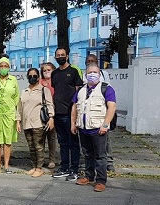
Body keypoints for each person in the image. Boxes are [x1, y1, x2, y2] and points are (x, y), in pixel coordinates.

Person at [71, 64, 116, 192]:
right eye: (90, 72)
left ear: (99, 74)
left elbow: (112, 107)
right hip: (83, 128)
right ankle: (89, 176)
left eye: (95, 72)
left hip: (98, 129)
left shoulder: (107, 89)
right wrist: (73, 124)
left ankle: (101, 181)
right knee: (87, 154)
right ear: (85, 75)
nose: (92, 74)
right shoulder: (81, 90)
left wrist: (105, 124)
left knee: (100, 156)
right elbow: (74, 108)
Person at [51, 47, 83, 181]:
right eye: (58, 55)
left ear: (67, 56)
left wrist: (75, 113)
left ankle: (74, 169)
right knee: (62, 142)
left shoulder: (74, 71)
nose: (60, 57)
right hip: (58, 113)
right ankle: (64, 168)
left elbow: (78, 93)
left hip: (70, 114)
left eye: (62, 55)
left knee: (73, 143)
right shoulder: (54, 74)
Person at [17, 68, 55, 177]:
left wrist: (51, 118)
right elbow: (20, 107)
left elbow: (49, 105)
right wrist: (18, 121)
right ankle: (34, 166)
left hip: (38, 122)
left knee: (39, 146)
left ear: (38, 77)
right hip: (27, 123)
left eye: (34, 76)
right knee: (31, 146)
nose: (32, 78)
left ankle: (39, 168)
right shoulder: (24, 91)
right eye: (30, 76)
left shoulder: (44, 90)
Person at [82, 54, 115, 172]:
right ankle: (89, 171)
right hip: (88, 115)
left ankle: (109, 162)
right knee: (89, 146)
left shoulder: (104, 74)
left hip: (101, 113)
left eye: (92, 61)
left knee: (105, 141)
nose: (90, 62)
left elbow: (108, 93)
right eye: (88, 61)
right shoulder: (84, 74)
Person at [39, 62, 57, 169]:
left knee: (52, 137)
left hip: (54, 112)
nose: (47, 72)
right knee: (41, 137)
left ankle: (52, 159)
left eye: (49, 70)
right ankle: (41, 159)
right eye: (44, 71)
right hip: (42, 113)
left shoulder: (56, 82)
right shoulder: (40, 82)